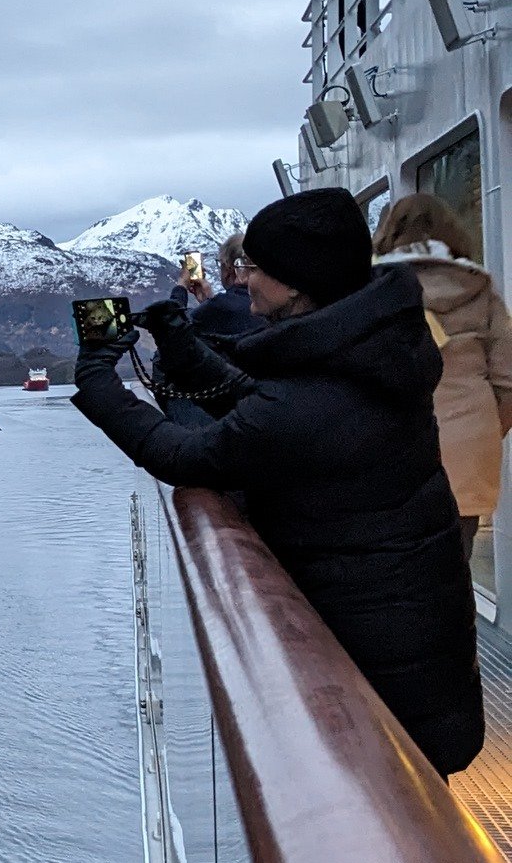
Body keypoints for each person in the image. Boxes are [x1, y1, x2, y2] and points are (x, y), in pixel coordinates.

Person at [72, 187, 483, 775]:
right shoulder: (367, 349)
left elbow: (185, 454)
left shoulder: (317, 398)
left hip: (382, 669)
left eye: (256, 268)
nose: (244, 280)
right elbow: (261, 403)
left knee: (399, 819)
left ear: (294, 283)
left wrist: (97, 380)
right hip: (412, 637)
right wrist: (181, 348)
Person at [371, 192, 512, 563]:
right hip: (469, 443)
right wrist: (481, 432)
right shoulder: (481, 287)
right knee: (455, 563)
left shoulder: (371, 290)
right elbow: (508, 380)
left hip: (391, 444)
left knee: (396, 564)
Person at [175, 232, 252, 344]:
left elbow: (172, 327)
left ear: (228, 268)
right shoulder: (268, 301)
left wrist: (181, 285)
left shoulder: (222, 306)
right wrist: (208, 301)